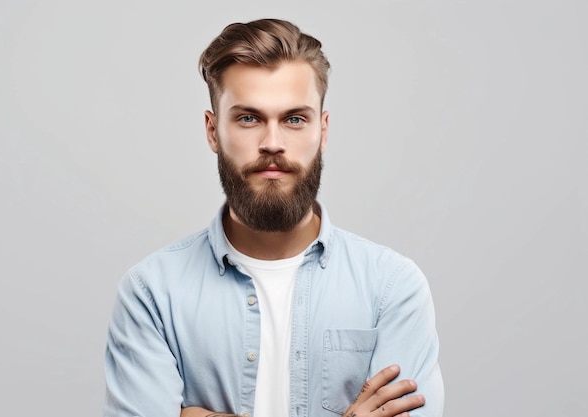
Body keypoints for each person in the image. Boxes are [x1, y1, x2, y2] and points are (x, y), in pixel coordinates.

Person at [104, 18, 444, 417]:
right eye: (248, 118)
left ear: (324, 129)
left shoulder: (392, 288)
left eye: (294, 119)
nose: (272, 143)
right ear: (213, 131)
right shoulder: (152, 294)